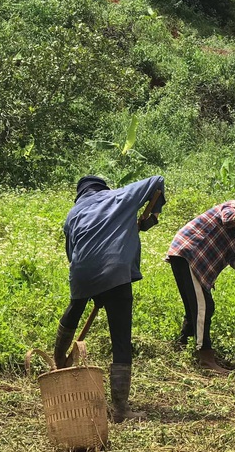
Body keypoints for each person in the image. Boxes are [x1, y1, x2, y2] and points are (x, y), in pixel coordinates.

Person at [54, 175, 166, 422]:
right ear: (103, 189)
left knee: (74, 309)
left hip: (82, 272)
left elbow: (71, 253)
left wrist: (92, 286)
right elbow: (157, 180)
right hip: (116, 273)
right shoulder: (119, 196)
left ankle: (57, 364)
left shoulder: (73, 214)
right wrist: (151, 218)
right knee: (121, 337)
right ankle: (120, 408)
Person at [166, 192, 235, 374]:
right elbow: (228, 220)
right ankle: (205, 357)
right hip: (189, 252)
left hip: (198, 264)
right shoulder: (232, 206)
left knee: (199, 305)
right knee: (202, 307)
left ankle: (182, 343)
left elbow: (233, 259)